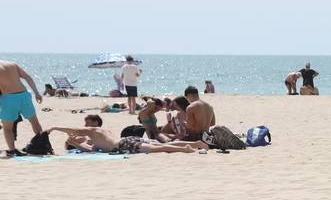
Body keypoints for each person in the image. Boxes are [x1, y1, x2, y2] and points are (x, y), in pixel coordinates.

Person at [50, 114, 207, 154]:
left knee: (158, 149)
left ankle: (185, 149)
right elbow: (94, 148)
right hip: (127, 140)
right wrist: (76, 143)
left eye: (87, 123)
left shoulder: (92, 131)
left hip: (124, 145)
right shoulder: (104, 132)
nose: (85, 126)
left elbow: (74, 130)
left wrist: (56, 128)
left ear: (95, 124)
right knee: (162, 144)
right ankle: (195, 144)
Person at [0, 59, 44, 157]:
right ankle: (42, 145)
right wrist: (36, 93)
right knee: (35, 122)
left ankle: (12, 150)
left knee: (7, 128)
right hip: (24, 95)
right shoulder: (12, 64)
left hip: (8, 98)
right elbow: (28, 77)